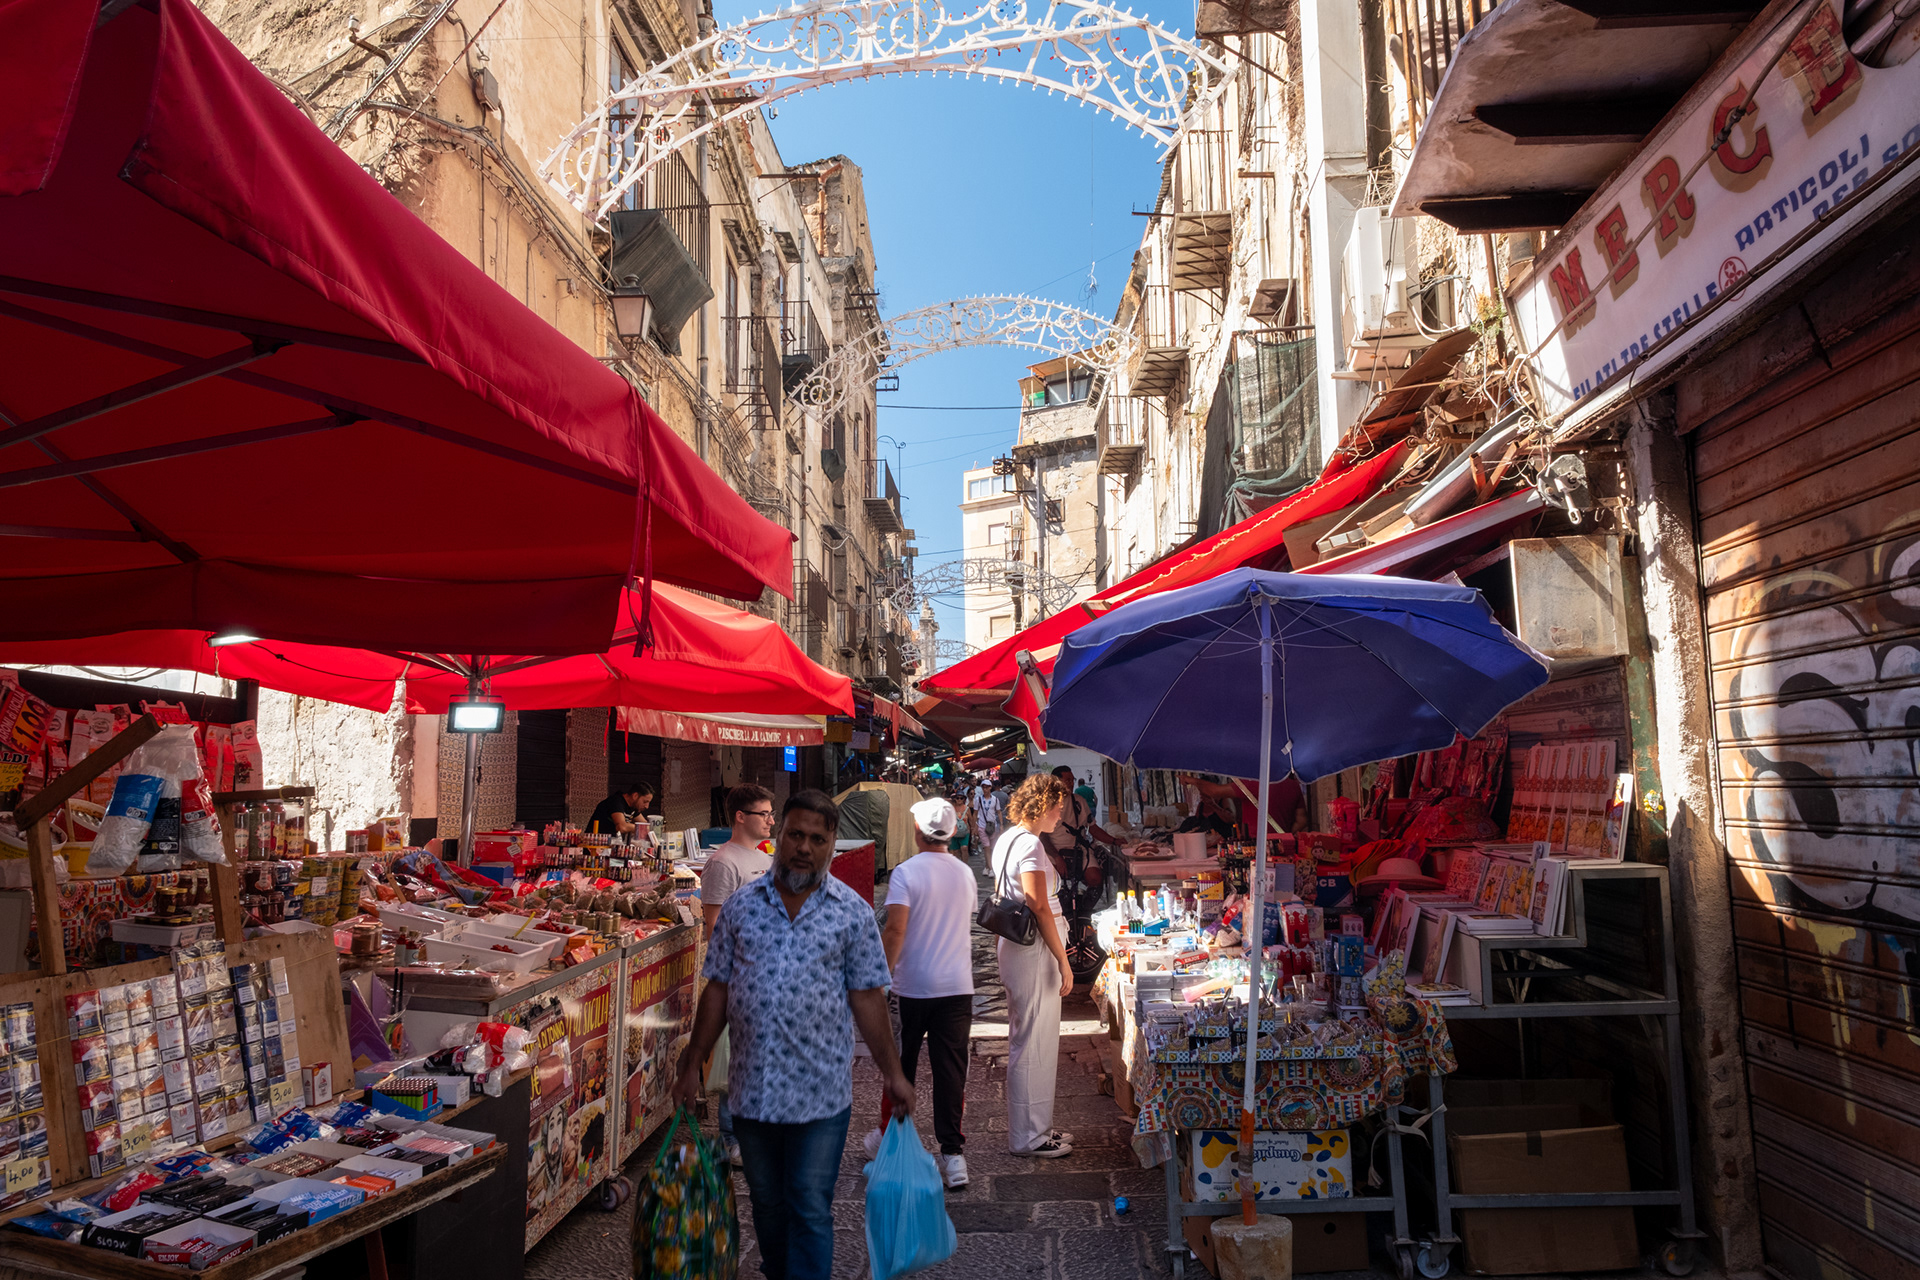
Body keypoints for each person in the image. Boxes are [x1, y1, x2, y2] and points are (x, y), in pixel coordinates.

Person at [674, 790, 913, 1280]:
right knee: (766, 1206)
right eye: (796, 835)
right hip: (752, 1091)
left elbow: (868, 997)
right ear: (780, 836)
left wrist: (894, 1074)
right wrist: (692, 1059)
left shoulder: (849, 912)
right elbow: (717, 987)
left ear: (831, 847)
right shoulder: (741, 907)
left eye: (817, 839)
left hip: (820, 1095)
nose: (805, 847)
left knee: (807, 1205)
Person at [876, 798, 978, 1189]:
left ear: (916, 831)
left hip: (912, 986)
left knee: (900, 1066)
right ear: (953, 834)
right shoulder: (965, 873)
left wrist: (883, 974)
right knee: (951, 1070)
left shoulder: (905, 873)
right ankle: (953, 1156)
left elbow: (896, 930)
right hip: (957, 986)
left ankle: (893, 1142)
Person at [990, 773, 1076, 1158]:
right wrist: (1063, 959)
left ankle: (1037, 1128)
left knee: (1033, 1040)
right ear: (1041, 806)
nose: (1061, 814)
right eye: (1057, 807)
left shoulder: (1009, 839)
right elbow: (1038, 904)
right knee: (1033, 1043)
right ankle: (1028, 1136)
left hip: (1017, 948)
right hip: (1034, 951)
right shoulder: (1030, 845)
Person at [698, 784, 776, 1166]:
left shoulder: (764, 858)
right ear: (741, 817)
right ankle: (732, 1139)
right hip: (739, 976)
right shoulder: (724, 863)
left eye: (771, 813)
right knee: (736, 1062)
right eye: (764, 814)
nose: (771, 821)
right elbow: (713, 926)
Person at [586, 781, 653, 836]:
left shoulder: (633, 807)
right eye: (645, 802)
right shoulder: (616, 801)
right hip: (595, 845)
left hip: (611, 846)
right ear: (635, 796)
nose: (647, 806)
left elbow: (646, 826)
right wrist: (640, 828)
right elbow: (621, 827)